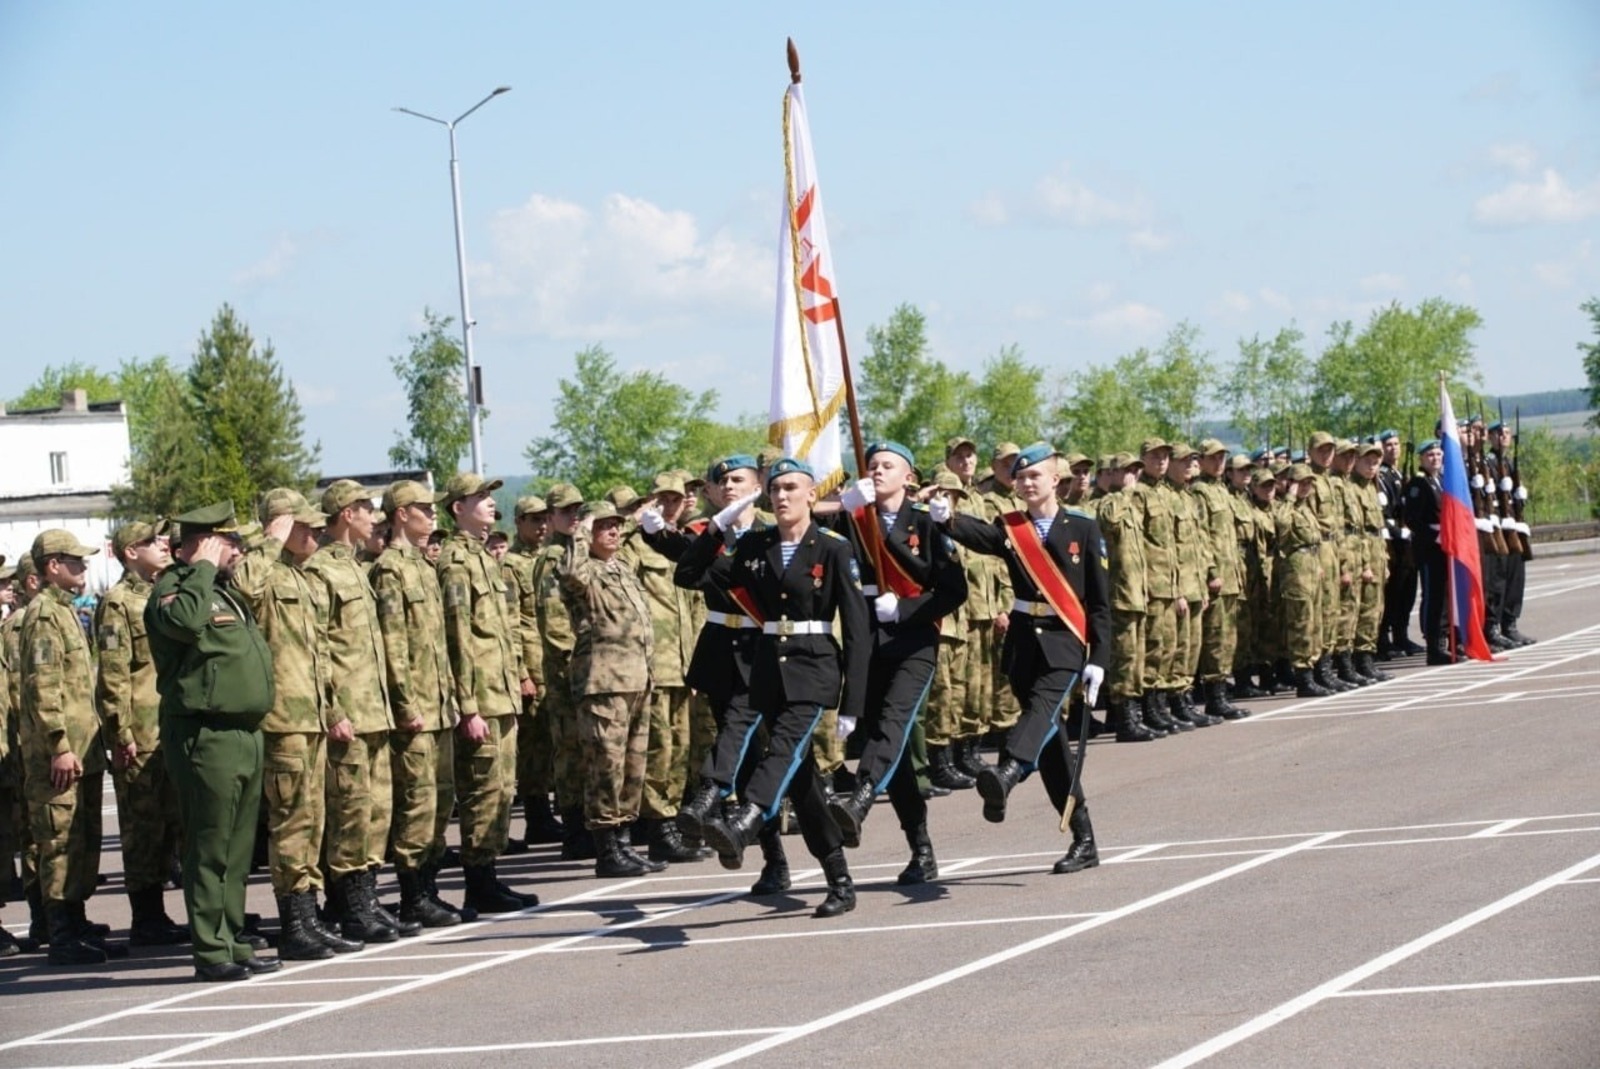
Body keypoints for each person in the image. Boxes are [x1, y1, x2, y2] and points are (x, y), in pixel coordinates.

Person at [684, 458, 869, 917]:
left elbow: (857, 628)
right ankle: (840, 878)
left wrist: (854, 700)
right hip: (765, 668)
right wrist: (716, 529)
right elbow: (689, 575)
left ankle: (747, 818)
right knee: (801, 781)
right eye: (776, 489)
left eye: (791, 488)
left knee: (783, 748)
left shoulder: (833, 548)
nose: (782, 496)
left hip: (814, 667)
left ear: (811, 494)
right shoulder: (756, 545)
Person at [935, 443, 1111, 874]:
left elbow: (1100, 602)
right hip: (1023, 645)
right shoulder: (1013, 527)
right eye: (1021, 477)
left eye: (1036, 476)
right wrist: (948, 520)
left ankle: (1009, 771)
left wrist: (1100, 658)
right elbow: (983, 538)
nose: (1028, 483)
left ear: (1055, 480)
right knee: (1052, 748)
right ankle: (1084, 838)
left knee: (1042, 712)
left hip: (1066, 641)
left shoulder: (1083, 528)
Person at [146, 503, 281, 982]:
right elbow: (183, 624)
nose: (238, 548)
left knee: (238, 849)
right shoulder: (175, 589)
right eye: (229, 540)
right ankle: (210, 948)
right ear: (203, 543)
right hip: (206, 733)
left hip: (244, 731)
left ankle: (232, 939)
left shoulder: (223, 591)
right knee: (210, 847)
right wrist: (201, 566)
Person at [822, 442, 967, 884]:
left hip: (914, 640)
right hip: (866, 637)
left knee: (893, 724)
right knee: (893, 749)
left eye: (888, 465)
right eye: (872, 465)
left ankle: (861, 797)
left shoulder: (925, 521)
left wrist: (904, 610)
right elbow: (798, 526)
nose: (878, 471)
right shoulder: (851, 517)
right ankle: (920, 847)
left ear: (909, 478)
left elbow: (953, 590)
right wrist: (842, 505)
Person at [230, 488, 362, 960]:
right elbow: (243, 587)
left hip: (312, 717)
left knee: (312, 821)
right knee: (290, 822)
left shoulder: (301, 577)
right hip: (282, 719)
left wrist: (333, 709)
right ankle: (293, 923)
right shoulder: (261, 570)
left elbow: (320, 652)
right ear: (281, 526)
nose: (316, 531)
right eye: (303, 525)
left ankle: (309, 917)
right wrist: (270, 539)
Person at [306, 480, 407, 942]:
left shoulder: (356, 566)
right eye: (366, 508)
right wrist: (332, 709)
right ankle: (348, 905)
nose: (373, 517)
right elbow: (319, 648)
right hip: (348, 712)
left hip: (374, 710)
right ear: (347, 513)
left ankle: (366, 899)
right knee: (349, 812)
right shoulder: (321, 570)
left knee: (375, 812)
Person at [438, 472, 539, 912]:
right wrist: (468, 706)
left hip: (500, 694)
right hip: (479, 697)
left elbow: (502, 631)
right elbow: (458, 636)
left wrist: (515, 682)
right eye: (480, 497)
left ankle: (490, 877)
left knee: (500, 790)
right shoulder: (455, 562)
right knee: (481, 791)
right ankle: (478, 882)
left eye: (490, 496)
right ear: (458, 507)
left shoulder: (483, 558)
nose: (490, 503)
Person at [21, 531, 122, 965]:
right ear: (52, 566)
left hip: (83, 751)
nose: (83, 567)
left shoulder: (63, 611)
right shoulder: (44, 614)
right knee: (60, 843)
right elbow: (42, 687)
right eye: (75, 561)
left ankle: (75, 921)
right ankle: (62, 935)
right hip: (60, 755)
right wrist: (58, 744)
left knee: (81, 842)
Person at [372, 480, 464, 927]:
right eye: (424, 509)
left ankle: (429, 889)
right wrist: (406, 704)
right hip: (417, 710)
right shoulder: (389, 569)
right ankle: (413, 895)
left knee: (441, 802)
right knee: (417, 803)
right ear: (401, 514)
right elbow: (393, 644)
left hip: (439, 703)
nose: (432, 516)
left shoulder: (424, 566)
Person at [94, 520, 189, 947]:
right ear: (131, 551)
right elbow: (113, 672)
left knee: (174, 824)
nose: (162, 545)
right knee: (143, 828)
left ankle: (165, 915)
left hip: (169, 725)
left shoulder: (161, 592)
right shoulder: (117, 602)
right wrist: (120, 731)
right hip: (141, 731)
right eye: (151, 541)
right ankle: (147, 918)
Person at [559, 502, 663, 877]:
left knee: (632, 767)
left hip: (636, 680)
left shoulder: (621, 569)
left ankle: (623, 841)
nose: (614, 531)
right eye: (604, 526)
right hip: (604, 684)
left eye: (616, 525)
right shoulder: (582, 570)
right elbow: (571, 573)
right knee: (605, 766)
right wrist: (582, 529)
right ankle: (606, 849)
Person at [621, 473, 710, 865]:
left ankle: (671, 820)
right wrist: (634, 522)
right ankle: (658, 827)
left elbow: (693, 608)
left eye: (676, 499)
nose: (670, 506)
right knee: (658, 749)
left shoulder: (683, 544)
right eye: (662, 499)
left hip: (682, 664)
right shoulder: (636, 545)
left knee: (680, 750)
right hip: (654, 663)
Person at [502, 494, 563, 851]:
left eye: (544, 519)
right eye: (533, 519)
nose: (541, 526)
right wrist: (521, 671)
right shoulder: (510, 565)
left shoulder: (551, 558)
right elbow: (511, 622)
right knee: (534, 746)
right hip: (532, 662)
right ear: (519, 522)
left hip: (553, 660)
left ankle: (548, 813)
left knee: (553, 742)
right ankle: (537, 816)